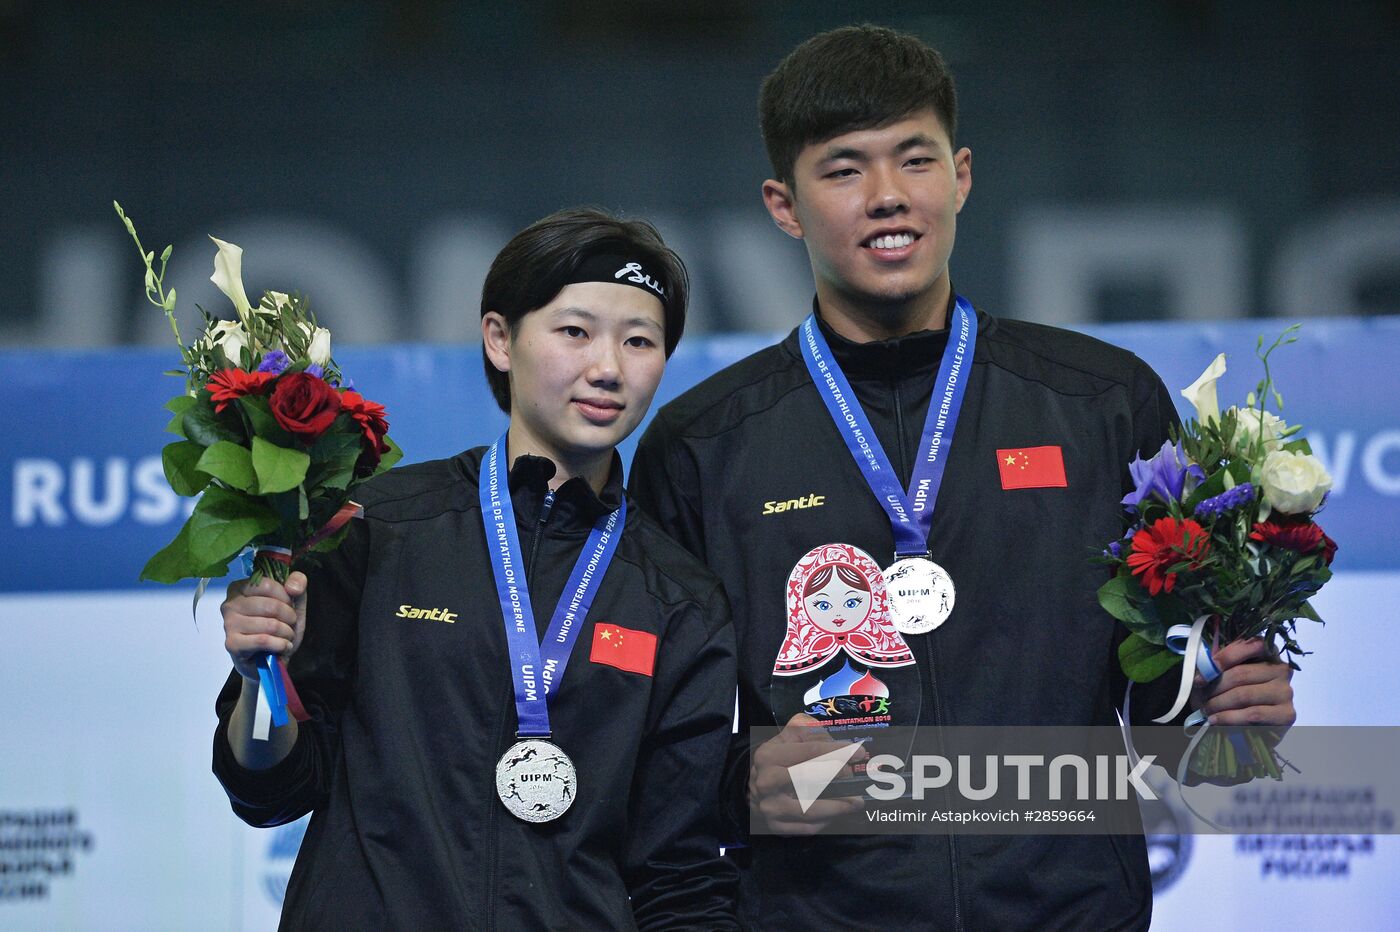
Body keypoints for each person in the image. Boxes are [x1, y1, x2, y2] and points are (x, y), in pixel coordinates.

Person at [629, 25, 1295, 930]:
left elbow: (1166, 704)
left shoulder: (1102, 404)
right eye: (844, 170)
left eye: (916, 159)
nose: (888, 196)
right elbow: (651, 725)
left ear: (964, 175)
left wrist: (1235, 701)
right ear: (783, 206)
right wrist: (733, 782)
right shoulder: (704, 445)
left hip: (1069, 913)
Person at [214, 208, 738, 929]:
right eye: (575, 331)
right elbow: (269, 789)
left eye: (640, 340)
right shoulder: (378, 526)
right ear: (500, 339)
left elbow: (677, 878)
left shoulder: (680, 599)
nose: (608, 367)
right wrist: (258, 679)